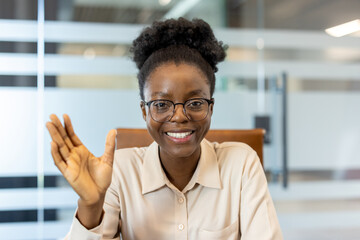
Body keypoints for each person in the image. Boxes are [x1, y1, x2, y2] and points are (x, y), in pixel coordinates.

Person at [46, 18, 283, 240]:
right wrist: (91, 205)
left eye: (196, 103)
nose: (179, 116)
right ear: (144, 111)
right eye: (161, 104)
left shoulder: (241, 166)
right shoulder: (118, 172)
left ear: (211, 108)